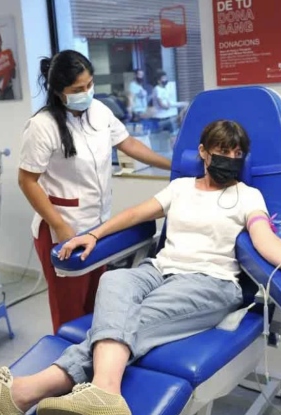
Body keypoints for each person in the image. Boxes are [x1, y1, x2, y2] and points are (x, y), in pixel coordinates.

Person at [0, 120, 281, 415]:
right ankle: (96, 395)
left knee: (131, 320)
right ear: (203, 153)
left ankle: (32, 392)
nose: (230, 160)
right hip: (159, 270)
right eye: (222, 152)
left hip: (210, 282)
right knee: (116, 280)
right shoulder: (181, 188)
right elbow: (137, 213)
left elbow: (265, 238)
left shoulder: (246, 195)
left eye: (237, 154)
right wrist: (94, 234)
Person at [18, 50, 172, 334]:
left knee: (94, 305)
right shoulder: (42, 126)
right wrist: (60, 225)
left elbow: (130, 145)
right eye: (78, 89)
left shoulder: (99, 111)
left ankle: (91, 367)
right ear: (58, 91)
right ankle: (67, 375)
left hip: (96, 228)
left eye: (89, 85)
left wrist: (172, 165)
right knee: (69, 312)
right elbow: (27, 181)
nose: (87, 92)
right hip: (60, 229)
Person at [0, 32, 16, 101]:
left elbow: (14, 75)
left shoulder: (8, 56)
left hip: (9, 90)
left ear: (1, 41)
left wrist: (10, 65)